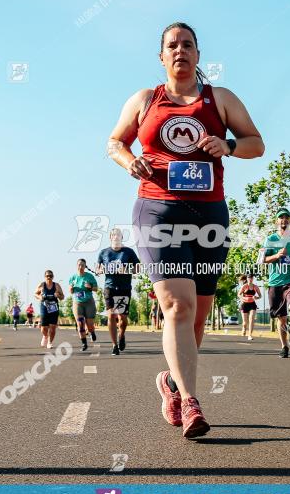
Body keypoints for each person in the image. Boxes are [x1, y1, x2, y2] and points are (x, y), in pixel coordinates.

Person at [107, 22, 264, 438]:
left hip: (209, 214)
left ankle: (172, 384)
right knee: (178, 307)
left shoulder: (220, 99)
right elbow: (114, 143)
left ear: (198, 54)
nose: (180, 51)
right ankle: (193, 404)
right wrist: (130, 161)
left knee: (198, 318)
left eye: (187, 45)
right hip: (157, 210)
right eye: (172, 46)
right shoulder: (145, 99)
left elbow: (256, 142)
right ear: (161, 56)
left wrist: (227, 145)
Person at [262, 208, 290, 359]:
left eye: (286, 217)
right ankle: (284, 346)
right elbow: (262, 259)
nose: (284, 220)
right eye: (281, 217)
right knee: (281, 318)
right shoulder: (270, 239)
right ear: (277, 221)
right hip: (275, 282)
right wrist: (277, 255)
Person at [97, 228, 141, 356]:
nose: (116, 237)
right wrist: (99, 270)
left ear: (122, 238)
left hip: (124, 288)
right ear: (110, 237)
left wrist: (126, 269)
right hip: (109, 287)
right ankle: (114, 345)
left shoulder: (128, 252)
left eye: (118, 235)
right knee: (111, 315)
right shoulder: (104, 253)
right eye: (114, 235)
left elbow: (137, 268)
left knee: (123, 319)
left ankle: (121, 335)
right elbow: (98, 267)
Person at [69, 259, 98, 351]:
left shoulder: (90, 276)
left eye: (83, 265)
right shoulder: (73, 277)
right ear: (77, 266)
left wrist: (90, 287)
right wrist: (71, 289)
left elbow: (96, 289)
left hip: (88, 302)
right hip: (77, 303)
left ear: (85, 266)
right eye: (79, 265)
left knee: (89, 324)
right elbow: (70, 291)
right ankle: (84, 343)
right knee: (80, 323)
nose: (81, 267)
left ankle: (92, 332)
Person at [34, 270, 65, 349]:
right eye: (47, 276)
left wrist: (58, 295)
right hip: (44, 306)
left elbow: (62, 297)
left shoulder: (57, 285)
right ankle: (45, 336)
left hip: (54, 307)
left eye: (51, 276)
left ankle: (50, 342)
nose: (49, 277)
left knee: (53, 326)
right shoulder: (42, 285)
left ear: (53, 277)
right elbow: (35, 294)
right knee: (43, 328)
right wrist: (40, 297)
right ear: (45, 277)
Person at [238, 274, 261, 341]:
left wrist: (257, 297)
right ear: (247, 279)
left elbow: (260, 296)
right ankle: (244, 328)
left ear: (253, 278)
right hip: (245, 305)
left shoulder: (255, 287)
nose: (250, 279)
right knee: (245, 323)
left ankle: (250, 335)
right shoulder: (244, 286)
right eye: (249, 278)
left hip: (252, 304)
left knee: (251, 319)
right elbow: (239, 294)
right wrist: (243, 298)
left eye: (251, 278)